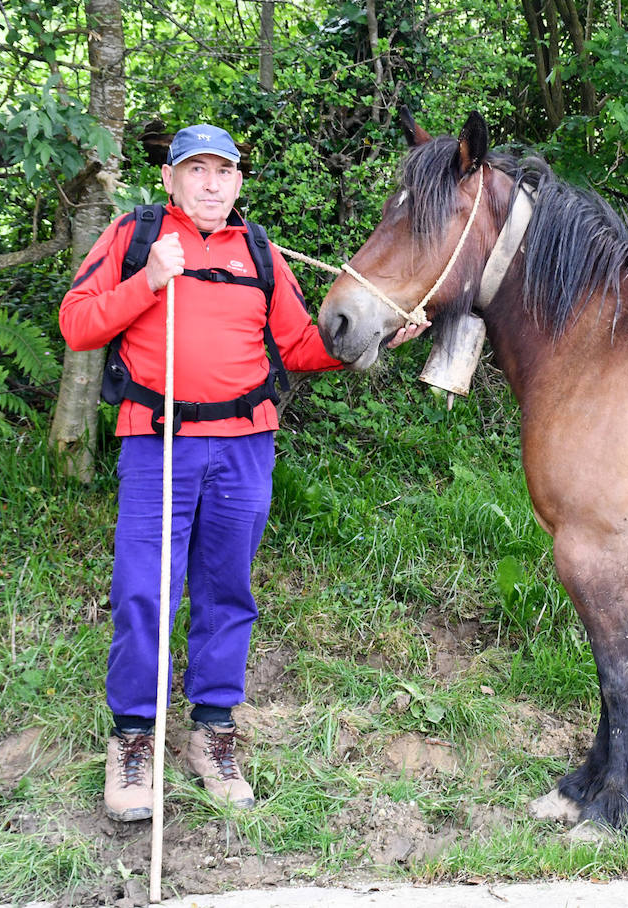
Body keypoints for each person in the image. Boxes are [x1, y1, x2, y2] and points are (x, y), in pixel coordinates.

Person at [60, 123, 426, 822]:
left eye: (222, 172)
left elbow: (298, 344)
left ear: (237, 183)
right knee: (145, 593)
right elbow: (77, 324)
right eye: (195, 170)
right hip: (157, 442)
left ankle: (212, 736)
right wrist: (149, 281)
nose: (210, 184)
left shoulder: (259, 251)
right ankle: (134, 744)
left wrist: (373, 339)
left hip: (244, 447)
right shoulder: (135, 238)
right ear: (169, 180)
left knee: (227, 592)